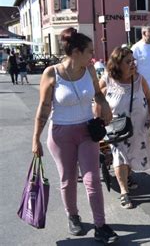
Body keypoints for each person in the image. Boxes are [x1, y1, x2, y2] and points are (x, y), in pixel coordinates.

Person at [31, 27, 119, 243]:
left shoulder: (89, 70)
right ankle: (73, 216)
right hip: (61, 134)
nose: (93, 56)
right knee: (68, 179)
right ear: (76, 52)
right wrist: (36, 139)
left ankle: (101, 226)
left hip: (87, 130)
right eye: (90, 51)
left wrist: (104, 105)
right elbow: (43, 108)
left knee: (92, 179)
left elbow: (97, 94)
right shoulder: (52, 73)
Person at [99, 46, 150, 209]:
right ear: (117, 64)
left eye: (133, 61)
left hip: (138, 125)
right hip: (116, 126)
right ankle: (124, 192)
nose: (133, 64)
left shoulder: (139, 79)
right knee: (119, 155)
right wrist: (99, 116)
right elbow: (97, 98)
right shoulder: (108, 79)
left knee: (133, 153)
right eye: (128, 61)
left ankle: (127, 175)